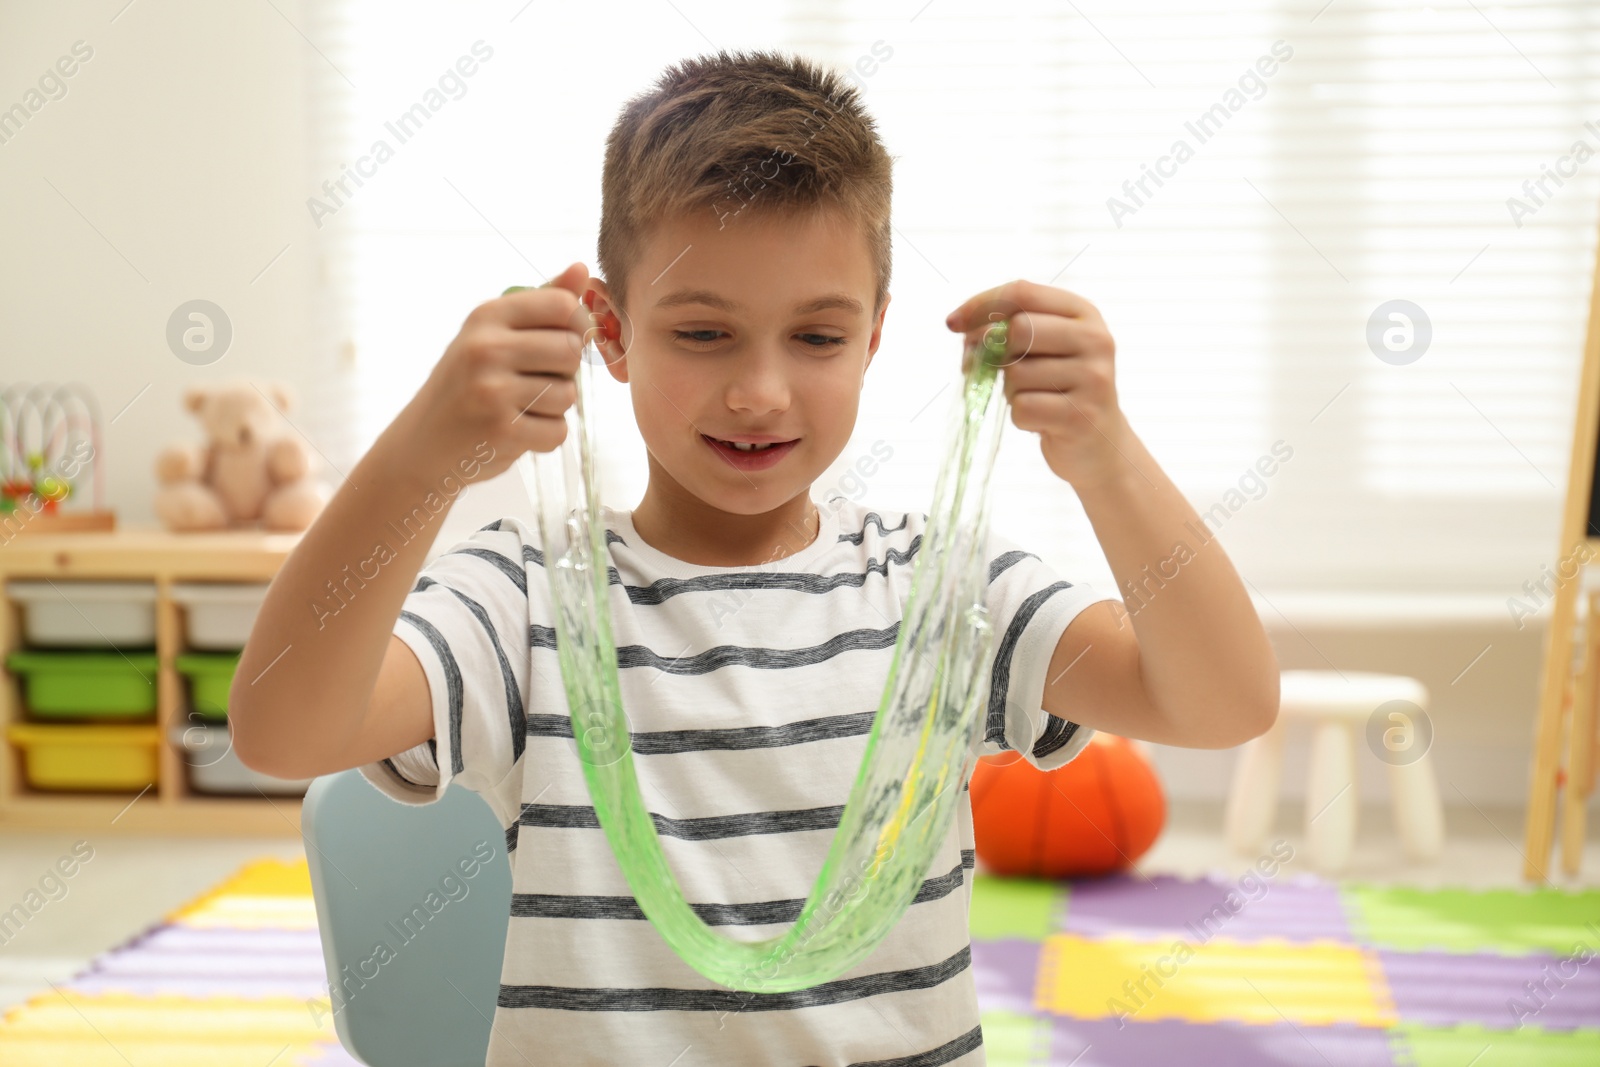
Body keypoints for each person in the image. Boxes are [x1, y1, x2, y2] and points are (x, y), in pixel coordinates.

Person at [231, 47, 1279, 1067]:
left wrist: (1108, 459)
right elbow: (282, 728)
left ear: (873, 335)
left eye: (816, 339)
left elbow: (1221, 703)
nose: (760, 392)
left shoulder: (941, 593)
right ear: (611, 331)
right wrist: (420, 461)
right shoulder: (527, 595)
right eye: (703, 333)